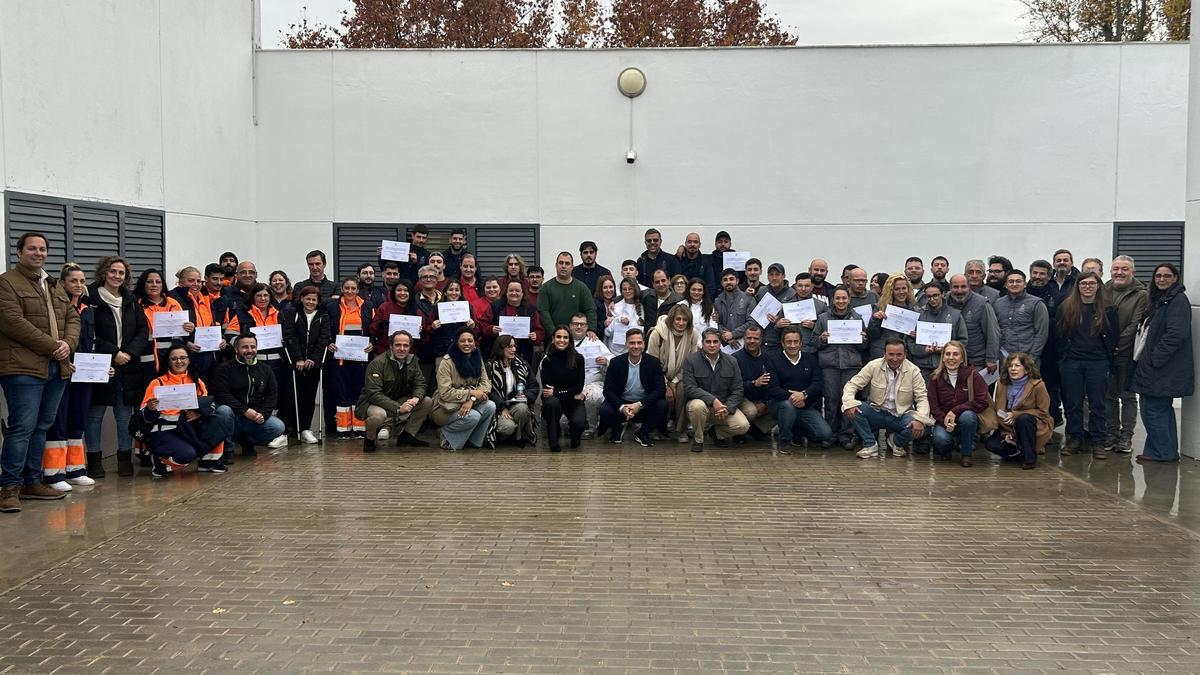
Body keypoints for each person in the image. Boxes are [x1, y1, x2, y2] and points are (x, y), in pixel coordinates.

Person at [0, 234, 80, 511]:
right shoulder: (7, 282)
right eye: (32, 248)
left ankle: (32, 481)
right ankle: (9, 488)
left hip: (56, 366)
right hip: (22, 367)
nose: (38, 253)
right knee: (22, 427)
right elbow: (11, 322)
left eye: (43, 249)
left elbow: (73, 317)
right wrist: (53, 346)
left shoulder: (52, 284)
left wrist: (68, 344)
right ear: (19, 252)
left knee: (42, 425)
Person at [87, 256, 148, 477]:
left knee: (124, 416)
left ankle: (124, 459)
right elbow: (89, 332)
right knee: (94, 415)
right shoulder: (90, 297)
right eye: (113, 271)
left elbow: (143, 330)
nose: (117, 276)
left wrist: (129, 353)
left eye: (121, 273)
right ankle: (94, 461)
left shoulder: (131, 300)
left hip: (128, 366)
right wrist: (114, 352)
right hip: (99, 365)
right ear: (104, 272)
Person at [41, 263, 100, 490]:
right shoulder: (56, 307)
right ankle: (54, 474)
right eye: (73, 281)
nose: (78, 285)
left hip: (84, 374)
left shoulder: (88, 308)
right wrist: (65, 362)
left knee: (78, 419)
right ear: (63, 283)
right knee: (58, 420)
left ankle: (76, 470)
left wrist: (101, 367)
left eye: (82, 281)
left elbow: (92, 341)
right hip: (62, 371)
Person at [137, 346, 231, 477]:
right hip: (166, 430)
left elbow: (208, 404)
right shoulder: (157, 382)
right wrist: (150, 409)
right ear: (168, 362)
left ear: (189, 360)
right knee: (187, 454)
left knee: (220, 421)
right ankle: (161, 463)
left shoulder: (196, 381)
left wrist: (198, 413)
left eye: (183, 358)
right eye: (174, 359)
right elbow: (142, 417)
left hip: (189, 427)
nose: (179, 362)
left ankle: (208, 463)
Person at [1131, 263, 1192, 463]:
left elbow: (1176, 334)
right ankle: (1163, 451)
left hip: (1162, 367)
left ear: (1175, 278)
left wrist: (1155, 358)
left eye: (1167, 276)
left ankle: (1162, 452)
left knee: (1153, 409)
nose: (1162, 279)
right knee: (1158, 409)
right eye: (1158, 276)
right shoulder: (1161, 299)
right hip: (1156, 365)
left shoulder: (1178, 301)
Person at [1055, 271, 1118, 458]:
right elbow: (1058, 334)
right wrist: (1064, 356)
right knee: (1073, 403)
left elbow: (1113, 335)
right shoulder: (1066, 307)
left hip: (1098, 362)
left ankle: (1098, 442)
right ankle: (1075, 439)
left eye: (1092, 283)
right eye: (1083, 284)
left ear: (1098, 286)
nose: (1088, 287)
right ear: (1078, 286)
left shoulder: (1108, 309)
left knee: (1097, 404)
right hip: (1072, 361)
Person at [841, 338, 931, 459]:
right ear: (884, 354)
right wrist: (849, 402)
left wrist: (920, 419)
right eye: (891, 354)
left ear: (905, 354)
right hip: (876, 412)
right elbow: (852, 384)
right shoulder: (873, 365)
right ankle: (870, 444)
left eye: (899, 354)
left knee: (922, 425)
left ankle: (895, 442)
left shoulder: (914, 371)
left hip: (900, 416)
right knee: (852, 408)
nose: (895, 358)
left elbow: (922, 398)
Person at [225, 282, 288, 443]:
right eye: (259, 295)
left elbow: (288, 334)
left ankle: (271, 428)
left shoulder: (279, 314)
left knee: (275, 395)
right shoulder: (242, 314)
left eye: (266, 295)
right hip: (252, 362)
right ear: (252, 297)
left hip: (277, 361)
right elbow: (230, 334)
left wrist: (285, 340)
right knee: (255, 393)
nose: (263, 298)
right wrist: (242, 347)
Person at [356, 330, 433, 453]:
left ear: (410, 347)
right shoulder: (378, 363)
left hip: (399, 400)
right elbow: (374, 393)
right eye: (398, 345)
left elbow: (420, 383)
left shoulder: (413, 361)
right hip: (373, 403)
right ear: (391, 346)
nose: (402, 349)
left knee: (427, 401)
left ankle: (407, 435)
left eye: (405, 345)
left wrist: (416, 398)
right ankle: (370, 439)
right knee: (379, 416)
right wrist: (398, 408)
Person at [211, 333, 285, 459]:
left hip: (253, 417)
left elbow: (272, 395)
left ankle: (247, 441)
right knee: (223, 410)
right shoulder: (224, 368)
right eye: (245, 347)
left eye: (253, 347)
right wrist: (244, 410)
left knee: (278, 427)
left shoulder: (265, 369)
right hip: (232, 416)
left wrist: (263, 414)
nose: (249, 350)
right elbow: (222, 395)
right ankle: (227, 450)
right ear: (236, 349)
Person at [814, 286, 869, 450]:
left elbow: (863, 347)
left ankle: (846, 434)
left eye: (844, 298)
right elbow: (813, 342)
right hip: (829, 365)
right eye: (837, 298)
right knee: (831, 399)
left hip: (851, 365)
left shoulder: (857, 318)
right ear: (833, 300)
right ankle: (830, 434)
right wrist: (822, 339)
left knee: (848, 399)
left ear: (849, 299)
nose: (841, 301)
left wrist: (863, 339)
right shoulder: (823, 318)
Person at [1103, 256, 1147, 455]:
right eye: (1116, 269)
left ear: (1133, 272)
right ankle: (1111, 434)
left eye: (1124, 269)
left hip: (1126, 353)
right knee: (1109, 396)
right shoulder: (1104, 289)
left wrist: (1117, 346)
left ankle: (1126, 436)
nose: (1119, 273)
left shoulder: (1141, 294)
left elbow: (1135, 324)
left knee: (1127, 396)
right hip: (1105, 353)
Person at [683, 328, 749, 452]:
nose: (712, 345)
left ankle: (716, 433)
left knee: (742, 426)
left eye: (715, 341)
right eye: (708, 342)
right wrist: (713, 400)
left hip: (722, 407)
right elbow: (689, 388)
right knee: (697, 406)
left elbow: (738, 390)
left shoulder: (731, 361)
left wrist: (728, 408)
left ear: (720, 343)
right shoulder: (691, 360)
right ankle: (698, 439)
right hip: (701, 407)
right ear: (702, 343)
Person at [926, 341, 991, 466]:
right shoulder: (935, 377)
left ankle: (966, 454)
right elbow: (933, 406)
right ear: (943, 357)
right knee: (940, 439)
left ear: (962, 358)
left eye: (955, 354)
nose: (951, 358)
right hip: (944, 419)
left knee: (968, 416)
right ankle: (949, 448)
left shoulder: (973, 375)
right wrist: (945, 421)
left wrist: (955, 411)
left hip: (967, 420)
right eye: (948, 354)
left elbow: (982, 401)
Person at [431, 328, 496, 451]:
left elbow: (485, 384)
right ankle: (446, 437)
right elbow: (445, 393)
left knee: (490, 406)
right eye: (462, 341)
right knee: (473, 416)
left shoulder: (477, 358)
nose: (467, 344)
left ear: (475, 343)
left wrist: (471, 399)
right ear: (456, 343)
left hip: (470, 403)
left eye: (470, 341)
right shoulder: (447, 361)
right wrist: (471, 393)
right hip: (446, 408)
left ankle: (473, 441)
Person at [765, 327, 830, 450]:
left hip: (804, 405)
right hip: (781, 404)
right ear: (783, 343)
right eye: (789, 342)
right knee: (788, 406)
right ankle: (784, 440)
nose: (792, 345)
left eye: (796, 341)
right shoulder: (773, 361)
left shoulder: (811, 359)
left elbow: (818, 383)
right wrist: (792, 397)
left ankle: (796, 430)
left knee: (825, 434)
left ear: (801, 343)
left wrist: (804, 395)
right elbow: (772, 388)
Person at [281, 285, 330, 444]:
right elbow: (289, 336)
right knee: (291, 396)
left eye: (314, 299)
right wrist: (298, 358)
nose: (310, 302)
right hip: (295, 362)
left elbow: (324, 338)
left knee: (309, 396)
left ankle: (305, 428)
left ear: (318, 301)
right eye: (307, 298)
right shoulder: (292, 312)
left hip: (313, 364)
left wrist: (313, 359)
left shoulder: (323, 315)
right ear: (301, 298)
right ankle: (288, 429)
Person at [325, 278, 374, 439]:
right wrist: (329, 344)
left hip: (361, 357)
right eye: (347, 288)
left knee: (359, 391)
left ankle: (359, 428)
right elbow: (326, 329)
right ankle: (343, 429)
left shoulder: (368, 306)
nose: (350, 291)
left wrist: (372, 344)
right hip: (340, 358)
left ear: (358, 290)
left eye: (353, 288)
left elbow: (372, 329)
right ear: (342, 289)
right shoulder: (332, 307)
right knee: (342, 392)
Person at [599, 328, 666, 447]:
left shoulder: (653, 362)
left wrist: (640, 404)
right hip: (622, 405)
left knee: (662, 405)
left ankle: (642, 432)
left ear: (644, 344)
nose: (636, 346)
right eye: (632, 343)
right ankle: (618, 428)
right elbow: (608, 390)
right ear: (626, 344)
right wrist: (622, 407)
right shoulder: (615, 362)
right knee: (605, 409)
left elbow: (660, 389)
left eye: (639, 343)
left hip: (643, 405)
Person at [986, 352, 1051, 469]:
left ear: (1026, 369)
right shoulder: (1001, 383)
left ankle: (1029, 459)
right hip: (1008, 426)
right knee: (990, 444)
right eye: (1010, 366)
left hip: (1032, 424)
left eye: (1017, 366)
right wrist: (1007, 433)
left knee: (1023, 419)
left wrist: (1015, 414)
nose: (1013, 369)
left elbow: (1043, 412)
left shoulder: (1038, 385)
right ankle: (1018, 451)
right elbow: (999, 408)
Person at [134, 268, 191, 396]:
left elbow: (181, 335)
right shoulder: (136, 304)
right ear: (143, 284)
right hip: (145, 360)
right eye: (149, 282)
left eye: (158, 282)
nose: (154, 285)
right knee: (148, 397)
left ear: (162, 285)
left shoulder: (173, 303)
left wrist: (189, 328)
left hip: (171, 361)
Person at [647, 304, 697, 441]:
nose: (681, 323)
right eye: (678, 319)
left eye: (685, 320)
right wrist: (667, 384)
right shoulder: (657, 333)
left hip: (681, 375)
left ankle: (681, 430)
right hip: (657, 375)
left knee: (683, 390)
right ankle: (659, 427)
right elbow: (652, 364)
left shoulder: (692, 334)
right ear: (671, 319)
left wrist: (674, 382)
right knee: (663, 394)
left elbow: (691, 363)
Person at [537, 326, 588, 452]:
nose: (562, 340)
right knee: (552, 403)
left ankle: (574, 436)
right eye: (558, 337)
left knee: (579, 423)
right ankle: (554, 442)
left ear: (570, 340)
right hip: (555, 401)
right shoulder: (547, 360)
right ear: (553, 339)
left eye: (565, 337)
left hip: (572, 401)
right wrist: (569, 392)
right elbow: (548, 390)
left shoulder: (578, 359)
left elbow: (579, 387)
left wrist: (557, 391)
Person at [170, 265, 224, 381]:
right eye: (191, 281)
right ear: (181, 282)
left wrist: (221, 338)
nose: (196, 284)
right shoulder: (173, 298)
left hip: (209, 353)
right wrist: (186, 344)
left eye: (199, 281)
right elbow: (169, 329)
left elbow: (211, 324)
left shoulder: (205, 297)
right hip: (188, 354)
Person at [485, 334, 539, 447]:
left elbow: (534, 385)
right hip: (498, 408)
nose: (513, 349)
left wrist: (526, 397)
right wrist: (502, 408)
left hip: (516, 404)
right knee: (508, 427)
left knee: (522, 408)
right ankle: (501, 437)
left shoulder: (522, 364)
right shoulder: (490, 366)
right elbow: (489, 391)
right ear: (500, 348)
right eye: (509, 346)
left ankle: (518, 437)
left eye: (514, 346)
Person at [908, 282, 968, 380]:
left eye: (935, 295)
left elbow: (963, 341)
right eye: (929, 296)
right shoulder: (918, 314)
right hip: (923, 366)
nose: (932, 299)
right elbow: (909, 342)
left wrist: (946, 350)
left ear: (942, 294)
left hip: (948, 366)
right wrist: (923, 350)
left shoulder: (955, 314)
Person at [946, 274, 999, 379]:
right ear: (950, 288)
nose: (959, 291)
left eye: (963, 287)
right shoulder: (944, 301)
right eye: (955, 287)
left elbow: (992, 332)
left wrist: (991, 358)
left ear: (969, 287)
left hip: (975, 361)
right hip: (950, 360)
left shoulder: (982, 304)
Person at [477, 280, 542, 365]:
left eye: (517, 291)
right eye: (511, 290)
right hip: (498, 353)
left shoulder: (531, 309)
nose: (514, 293)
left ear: (523, 293)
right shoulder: (495, 306)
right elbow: (482, 326)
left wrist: (536, 335)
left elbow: (539, 330)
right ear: (506, 292)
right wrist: (491, 329)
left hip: (523, 352)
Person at [568, 313, 611, 438]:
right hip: (569, 384)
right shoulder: (563, 340)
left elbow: (613, 360)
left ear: (587, 327)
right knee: (564, 423)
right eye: (576, 324)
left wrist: (606, 361)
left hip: (592, 382)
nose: (579, 327)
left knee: (593, 396)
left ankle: (590, 427)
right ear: (570, 326)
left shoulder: (595, 342)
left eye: (582, 324)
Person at [993, 270, 1049, 362]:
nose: (1014, 284)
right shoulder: (997, 303)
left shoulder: (1037, 303)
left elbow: (1041, 333)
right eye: (1011, 281)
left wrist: (1032, 357)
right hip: (1003, 358)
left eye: (1018, 281)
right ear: (1006, 285)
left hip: (1028, 358)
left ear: (1025, 284)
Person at [732, 325, 775, 441]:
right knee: (751, 411)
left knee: (780, 406)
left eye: (755, 338)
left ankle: (756, 430)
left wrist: (765, 403)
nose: (752, 341)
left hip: (762, 398)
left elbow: (773, 384)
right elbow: (733, 387)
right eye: (749, 338)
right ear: (744, 338)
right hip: (742, 398)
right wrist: (753, 383)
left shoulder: (769, 358)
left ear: (761, 340)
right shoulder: (735, 359)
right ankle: (738, 433)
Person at [537, 252, 596, 335]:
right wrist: (554, 333)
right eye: (561, 263)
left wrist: (591, 329)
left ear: (572, 267)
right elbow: (544, 313)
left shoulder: (582, 288)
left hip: (577, 336)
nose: (563, 266)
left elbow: (590, 310)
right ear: (556, 265)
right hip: (553, 337)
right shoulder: (546, 288)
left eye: (567, 263)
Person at [867, 274, 918, 359]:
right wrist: (875, 319)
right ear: (890, 290)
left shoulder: (915, 309)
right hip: (882, 354)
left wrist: (916, 335)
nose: (901, 292)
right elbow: (873, 335)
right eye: (897, 289)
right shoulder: (881, 307)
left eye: (904, 288)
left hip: (906, 355)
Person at [756, 263, 798, 354]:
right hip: (762, 341)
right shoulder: (761, 291)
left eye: (777, 274)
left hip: (781, 343)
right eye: (771, 275)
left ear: (783, 276)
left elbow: (795, 319)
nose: (774, 278)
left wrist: (779, 319)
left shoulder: (792, 293)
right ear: (767, 277)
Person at [368, 279, 419, 354]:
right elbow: (372, 330)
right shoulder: (384, 307)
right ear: (394, 292)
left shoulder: (417, 311)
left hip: (408, 354)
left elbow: (424, 339)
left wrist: (421, 332)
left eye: (406, 290)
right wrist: (380, 325)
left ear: (410, 293)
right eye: (399, 290)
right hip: (385, 352)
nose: (402, 293)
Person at [715, 268, 755, 349]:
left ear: (737, 281)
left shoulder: (748, 298)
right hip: (724, 345)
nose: (728, 282)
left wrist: (733, 334)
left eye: (731, 279)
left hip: (745, 344)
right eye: (725, 280)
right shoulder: (717, 301)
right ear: (721, 283)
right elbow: (717, 323)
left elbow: (752, 322)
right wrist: (725, 336)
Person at [604, 277, 644, 357]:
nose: (627, 291)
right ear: (621, 291)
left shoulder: (642, 308)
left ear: (635, 289)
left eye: (630, 288)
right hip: (616, 352)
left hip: (635, 351)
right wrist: (618, 321)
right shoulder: (615, 307)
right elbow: (607, 333)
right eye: (624, 289)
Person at [790, 273, 827, 351]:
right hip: (790, 348)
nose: (803, 289)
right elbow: (778, 330)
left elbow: (827, 329)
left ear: (812, 286)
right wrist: (778, 325)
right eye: (800, 286)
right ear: (795, 286)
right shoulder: (787, 305)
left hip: (812, 350)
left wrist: (814, 326)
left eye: (807, 286)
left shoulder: (821, 306)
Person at [682, 278, 717, 345]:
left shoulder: (710, 307)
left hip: (706, 345)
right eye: (693, 289)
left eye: (699, 290)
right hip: (686, 344)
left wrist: (705, 344)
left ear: (703, 292)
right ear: (688, 290)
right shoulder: (682, 305)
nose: (696, 292)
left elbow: (713, 328)